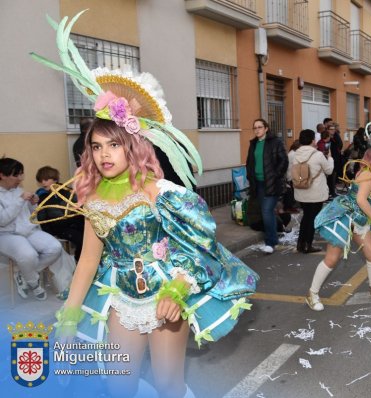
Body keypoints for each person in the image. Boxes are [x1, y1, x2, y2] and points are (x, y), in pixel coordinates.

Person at [31, 12, 258, 398]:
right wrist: (68, 318)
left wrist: (177, 291)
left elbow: (200, 247)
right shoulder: (93, 197)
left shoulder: (161, 192)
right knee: (118, 383)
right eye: (97, 146)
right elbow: (88, 259)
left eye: (113, 145)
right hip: (121, 297)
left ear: (132, 145)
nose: (104, 155)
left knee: (168, 384)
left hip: (168, 294)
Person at [305, 145, 371, 311]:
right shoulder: (368, 174)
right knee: (332, 259)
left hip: (360, 220)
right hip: (345, 218)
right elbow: (361, 200)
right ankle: (312, 294)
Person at [0, 158, 62, 300]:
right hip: (6, 234)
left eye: (21, 174)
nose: (20, 178)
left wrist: (33, 204)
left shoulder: (19, 191)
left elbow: (30, 214)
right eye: (16, 175)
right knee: (28, 255)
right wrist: (20, 200)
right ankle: (34, 283)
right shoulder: (16, 195)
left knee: (55, 247)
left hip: (28, 230)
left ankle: (24, 274)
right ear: (2, 175)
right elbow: (3, 220)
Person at [246, 118, 289, 254]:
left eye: (260, 127)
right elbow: (249, 162)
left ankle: (270, 242)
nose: (257, 130)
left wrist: (275, 175)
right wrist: (250, 177)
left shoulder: (275, 142)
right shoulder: (253, 144)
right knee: (266, 212)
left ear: (266, 128)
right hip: (258, 184)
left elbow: (284, 161)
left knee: (266, 211)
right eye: (255, 127)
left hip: (272, 183)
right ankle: (273, 237)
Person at [292, 129, 334, 253]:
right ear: (312, 140)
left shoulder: (295, 154)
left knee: (306, 216)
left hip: (301, 190)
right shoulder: (318, 155)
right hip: (315, 193)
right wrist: (330, 158)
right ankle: (307, 245)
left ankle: (300, 243)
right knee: (312, 218)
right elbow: (329, 170)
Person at [34, 165, 85, 261]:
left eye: (46, 179)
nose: (43, 183)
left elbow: (79, 207)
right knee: (81, 240)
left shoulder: (67, 192)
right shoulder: (42, 197)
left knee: (92, 237)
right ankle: (79, 263)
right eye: (41, 180)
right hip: (60, 228)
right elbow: (42, 218)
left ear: (55, 179)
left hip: (75, 223)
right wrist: (49, 234)